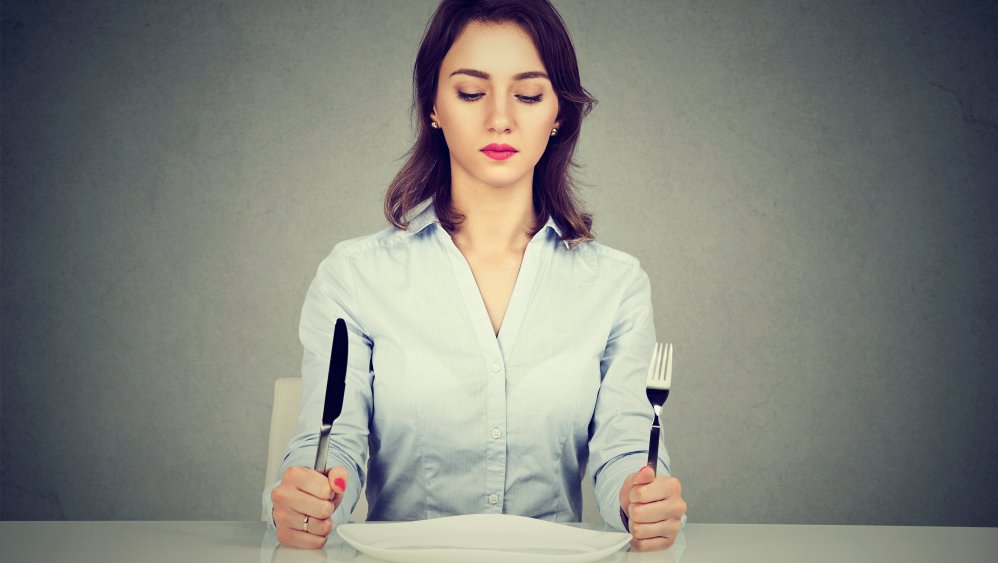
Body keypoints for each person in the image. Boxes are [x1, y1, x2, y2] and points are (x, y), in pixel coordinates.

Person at [263, 0, 687, 552]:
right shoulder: (354, 275)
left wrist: (639, 497)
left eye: (529, 94)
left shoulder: (617, 284)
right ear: (433, 106)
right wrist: (309, 496)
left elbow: (625, 449)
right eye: (470, 92)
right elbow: (331, 442)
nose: (500, 118)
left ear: (558, 112)